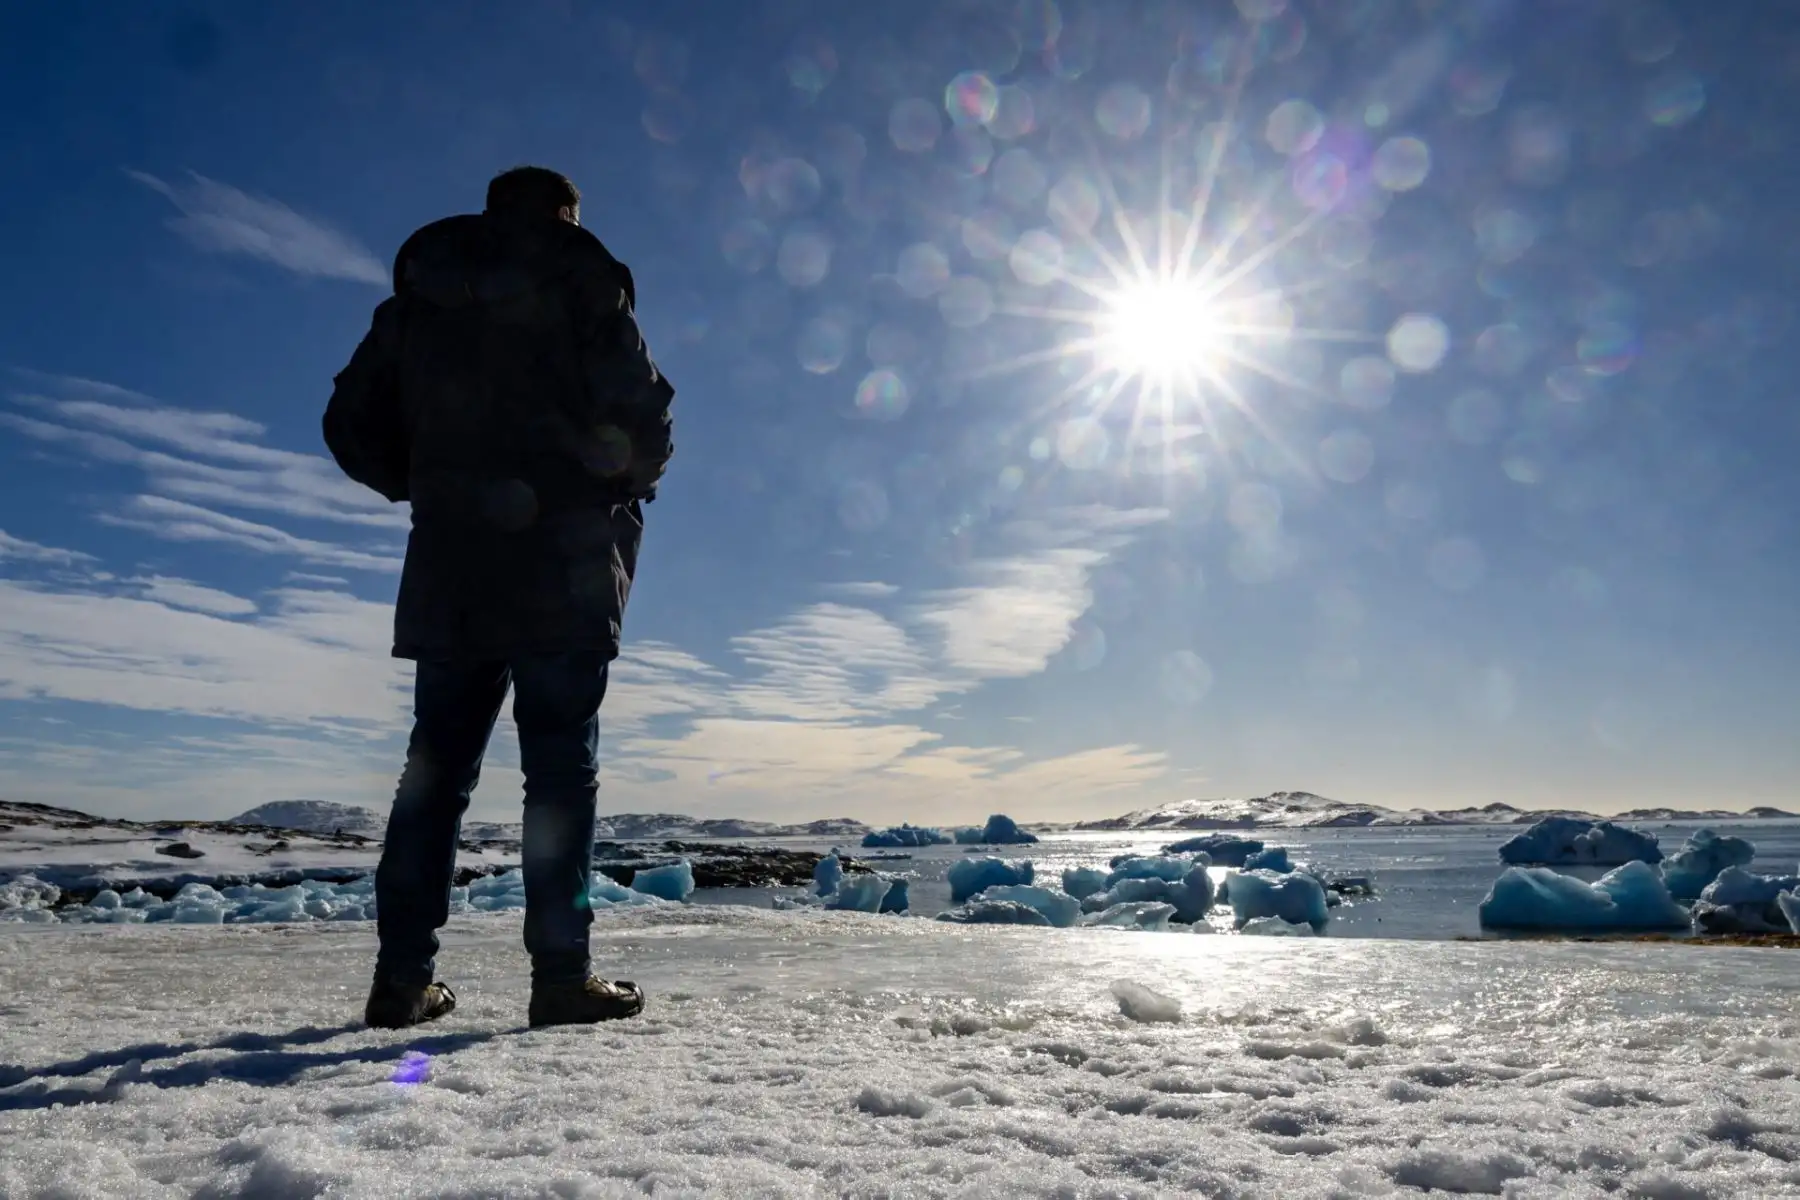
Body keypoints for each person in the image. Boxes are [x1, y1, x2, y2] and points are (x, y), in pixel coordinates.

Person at [323, 166, 674, 1029]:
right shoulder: (585, 280)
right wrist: (613, 487)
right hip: (568, 563)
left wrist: (434, 487)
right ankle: (561, 980)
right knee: (560, 774)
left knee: (432, 774)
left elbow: (348, 422)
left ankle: (402, 981)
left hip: (453, 567)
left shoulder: (422, 298)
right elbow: (648, 420)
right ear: (564, 213)